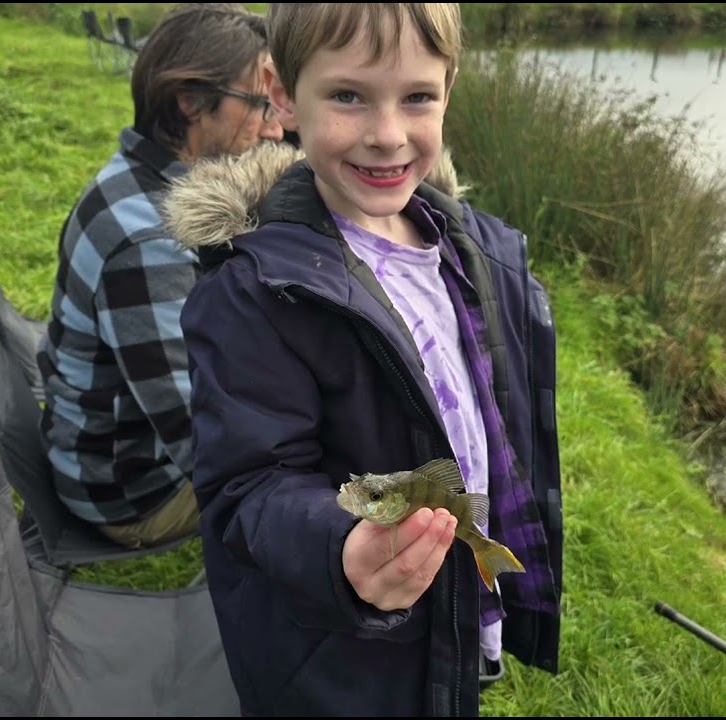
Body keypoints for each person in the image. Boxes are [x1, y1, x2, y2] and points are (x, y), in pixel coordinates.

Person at [165, 3, 563, 715]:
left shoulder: (475, 249)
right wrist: (339, 551)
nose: (387, 136)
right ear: (282, 94)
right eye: (348, 95)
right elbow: (247, 489)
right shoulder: (252, 294)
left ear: (450, 89)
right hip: (342, 661)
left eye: (417, 97)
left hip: (452, 601)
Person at [37, 3, 285, 550]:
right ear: (192, 102)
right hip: (131, 492)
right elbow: (196, 435)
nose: (276, 125)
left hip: (97, 446)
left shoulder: (137, 179)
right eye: (259, 103)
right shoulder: (149, 242)